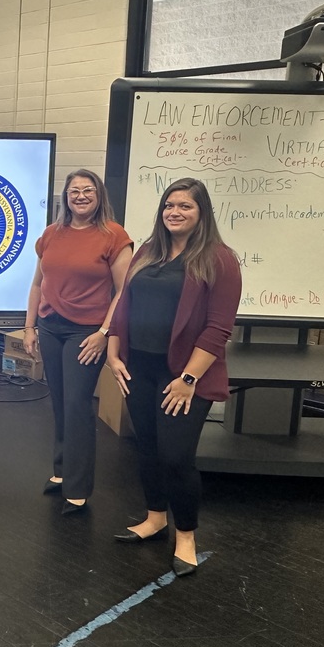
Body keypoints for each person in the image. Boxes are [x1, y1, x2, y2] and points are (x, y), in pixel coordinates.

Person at [106, 177, 241, 577]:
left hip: (183, 375)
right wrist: (114, 352)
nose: (175, 212)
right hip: (140, 368)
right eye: (170, 205)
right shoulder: (148, 252)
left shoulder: (219, 259)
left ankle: (185, 535)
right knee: (146, 447)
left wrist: (187, 379)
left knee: (176, 457)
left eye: (185, 206)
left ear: (202, 214)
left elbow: (218, 329)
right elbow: (124, 304)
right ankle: (154, 518)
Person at [23, 169, 133, 515]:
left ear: (99, 195)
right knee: (59, 402)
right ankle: (61, 471)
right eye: (74, 191)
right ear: (65, 197)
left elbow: (123, 292)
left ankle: (78, 488)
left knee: (77, 406)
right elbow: (38, 284)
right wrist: (29, 327)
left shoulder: (113, 235)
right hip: (50, 326)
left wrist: (103, 333)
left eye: (88, 190)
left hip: (86, 332)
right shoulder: (52, 234)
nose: (81, 196)